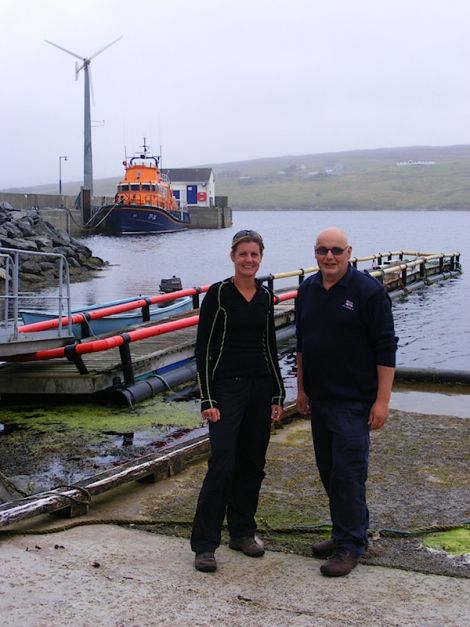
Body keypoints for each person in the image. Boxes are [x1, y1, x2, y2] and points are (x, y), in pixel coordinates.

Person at [296, 227, 397, 577]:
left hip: (354, 402)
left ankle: (351, 546)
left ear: (349, 252)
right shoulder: (307, 290)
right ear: (315, 252)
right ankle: (345, 532)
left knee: (349, 475)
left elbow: (386, 349)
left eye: (336, 250)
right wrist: (302, 389)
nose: (329, 256)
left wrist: (382, 401)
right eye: (323, 250)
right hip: (320, 400)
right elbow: (302, 345)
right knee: (329, 472)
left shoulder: (368, 292)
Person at [191, 229, 285, 573]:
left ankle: (242, 531)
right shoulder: (218, 294)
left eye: (254, 255)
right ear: (233, 256)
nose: (249, 260)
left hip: (260, 388)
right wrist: (207, 398)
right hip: (226, 389)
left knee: (252, 463)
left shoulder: (264, 296)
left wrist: (278, 393)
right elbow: (203, 350)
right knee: (223, 461)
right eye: (243, 254)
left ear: (261, 258)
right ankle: (204, 544)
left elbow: (271, 348)